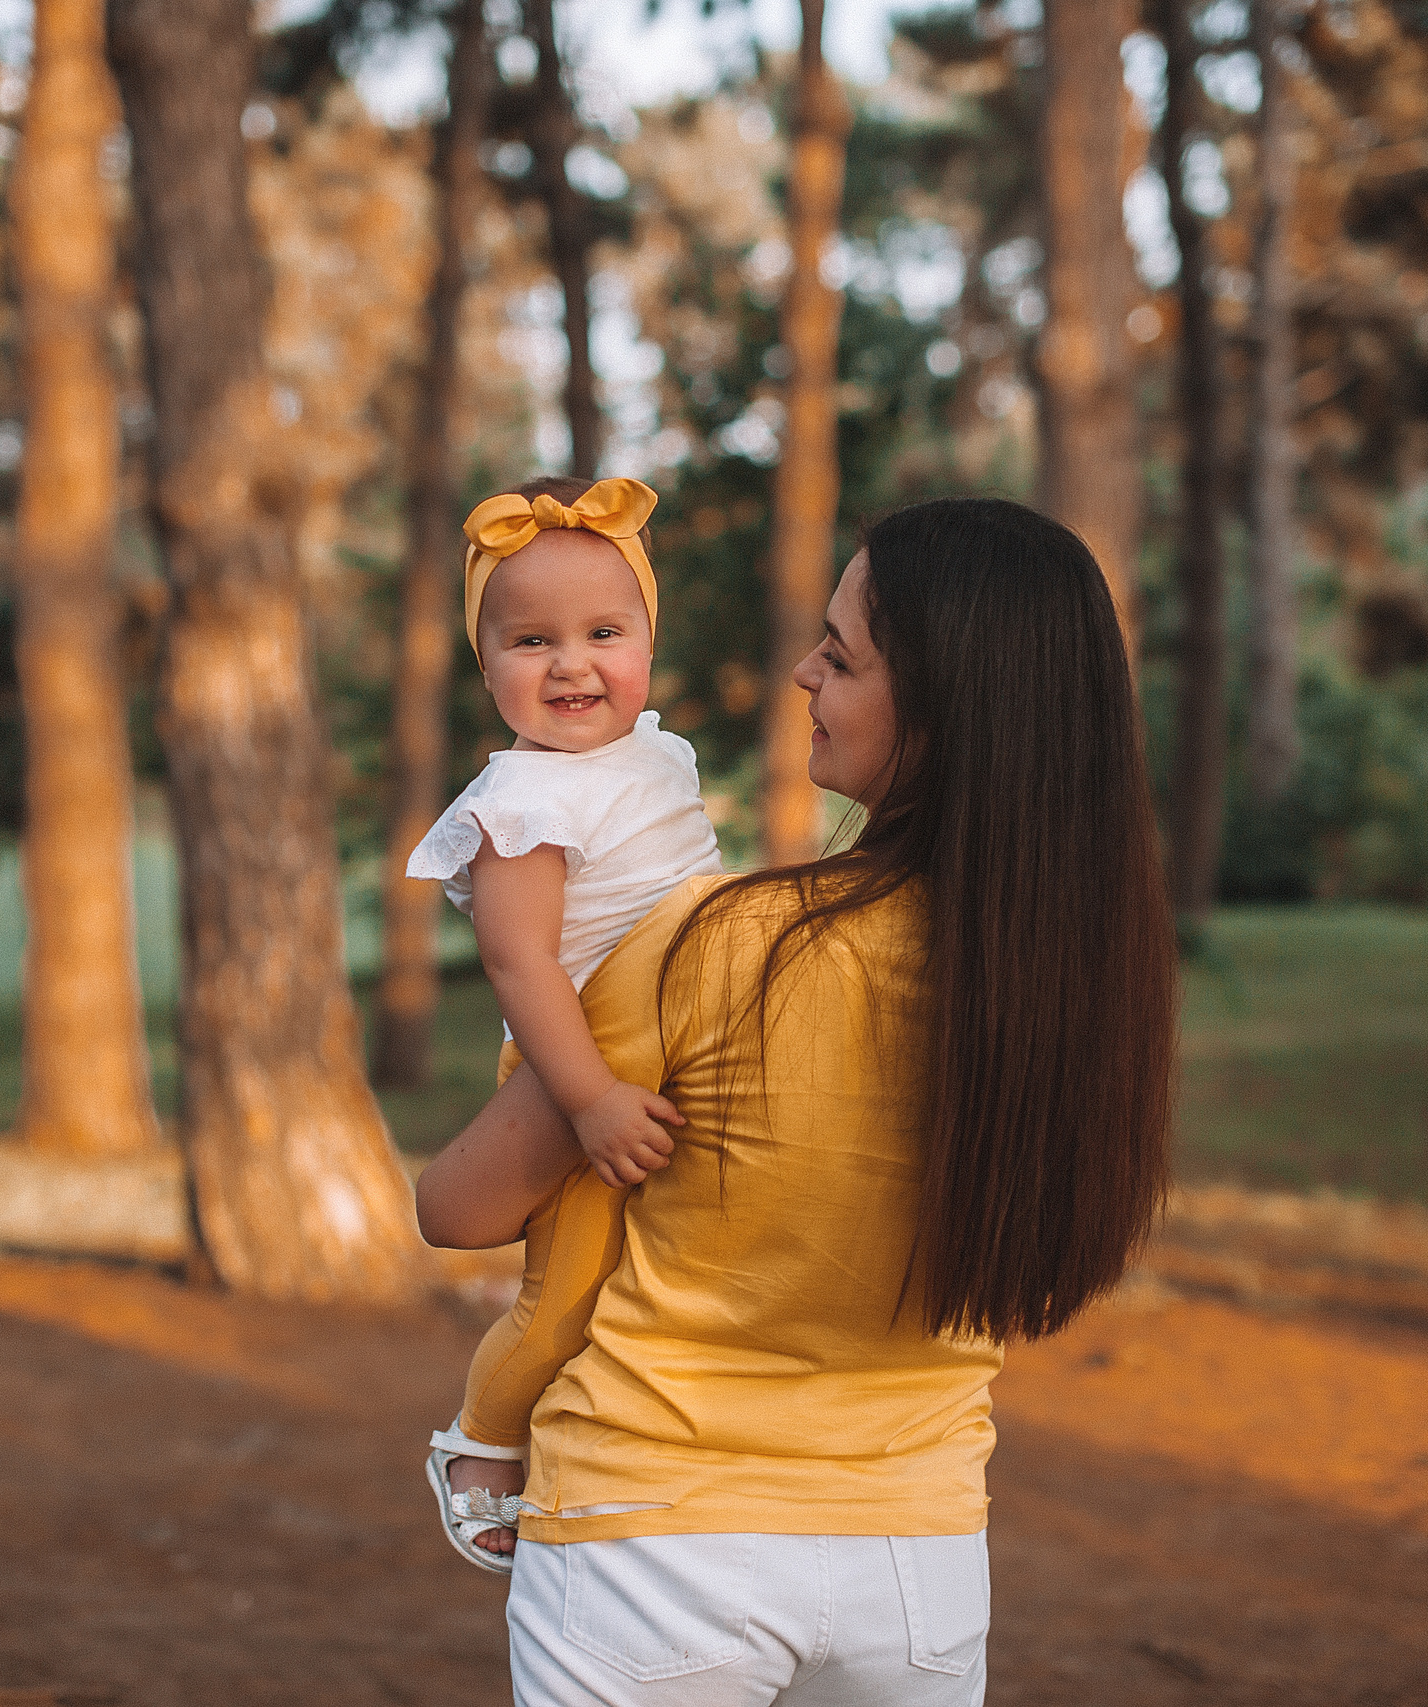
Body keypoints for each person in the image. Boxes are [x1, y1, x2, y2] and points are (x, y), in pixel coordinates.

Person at [416, 496, 1178, 1705]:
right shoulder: (1078, 983)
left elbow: (458, 1209)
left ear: (937, 701)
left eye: (841, 652)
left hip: (653, 1538)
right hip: (920, 1559)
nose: (800, 673)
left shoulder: (720, 946)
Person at [412, 474, 725, 1574]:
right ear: (486, 663)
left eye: (604, 631)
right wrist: (584, 1096)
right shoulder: (520, 804)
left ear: (647, 637)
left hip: (669, 1048)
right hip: (574, 1061)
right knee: (565, 1295)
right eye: (530, 640)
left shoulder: (661, 755)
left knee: (651, 1277)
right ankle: (482, 1443)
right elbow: (516, 958)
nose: (571, 664)